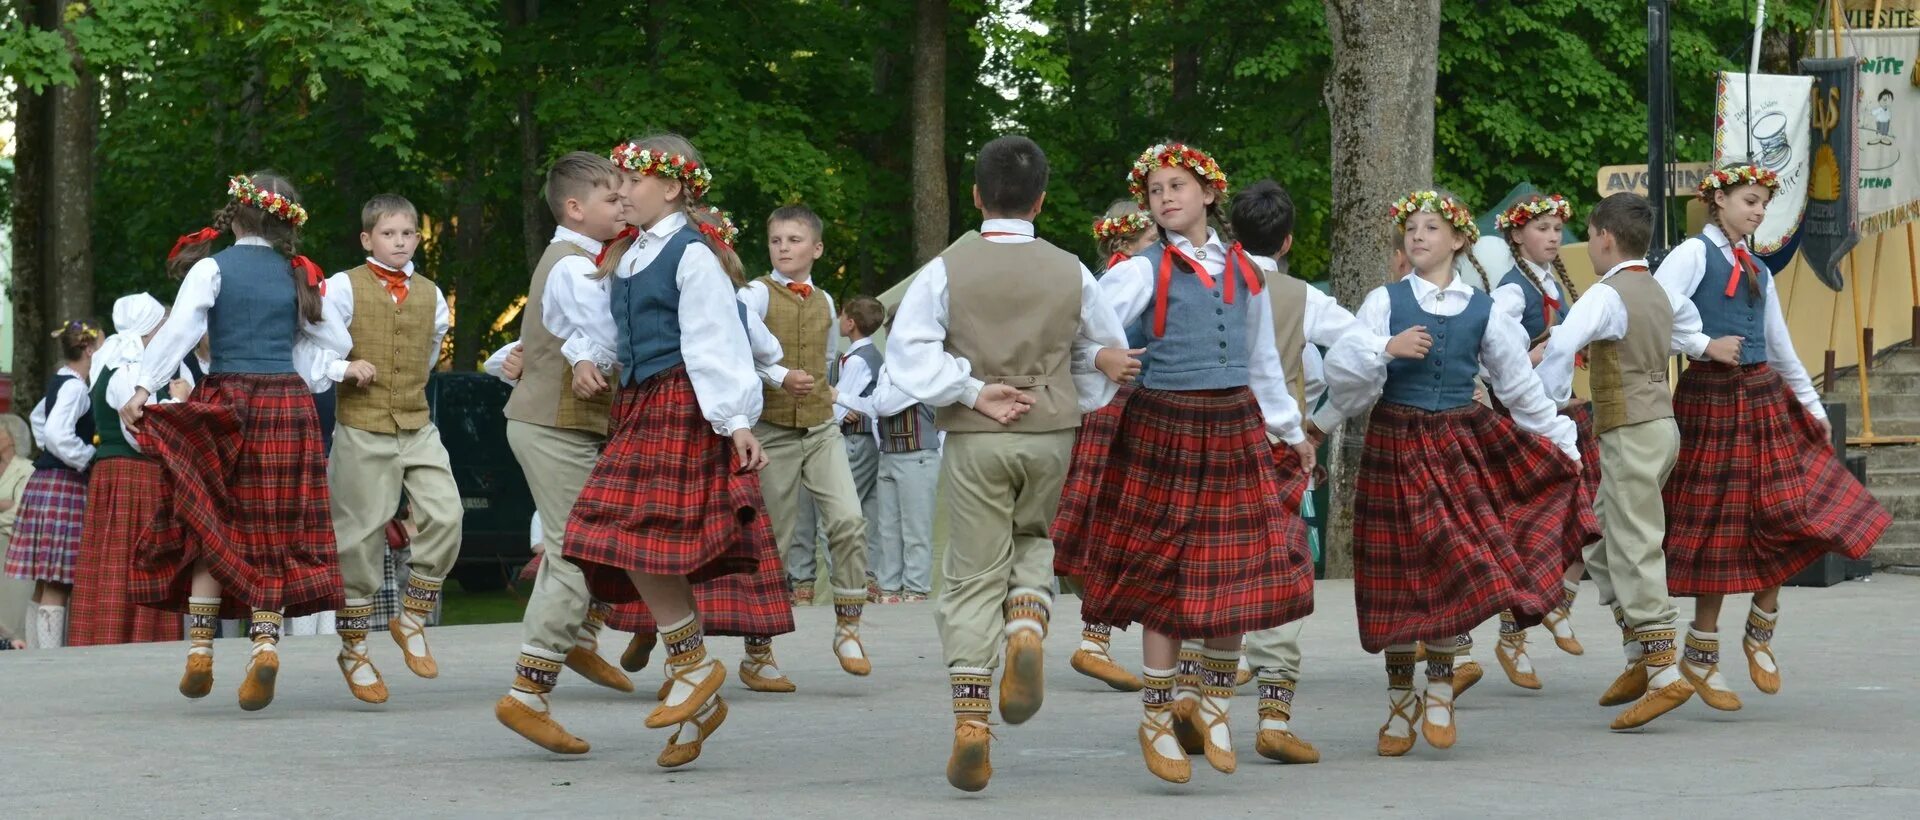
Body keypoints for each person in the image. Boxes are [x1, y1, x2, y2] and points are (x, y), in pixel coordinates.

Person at [892, 134, 1132, 792]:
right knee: (1036, 538)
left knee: (971, 575)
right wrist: (1065, 399)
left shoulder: (946, 267)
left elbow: (908, 354)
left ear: (976, 194)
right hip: (1051, 429)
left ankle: (972, 721)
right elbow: (1104, 351)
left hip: (976, 433)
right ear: (1041, 201)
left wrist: (971, 390)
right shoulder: (1072, 269)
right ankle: (1027, 620)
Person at [1323, 189, 1596, 756]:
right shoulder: (1384, 301)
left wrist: (1559, 438)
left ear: (1458, 239)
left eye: (1430, 227)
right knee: (1398, 572)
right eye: (1411, 228)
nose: (1417, 236)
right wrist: (1385, 348)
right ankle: (1401, 701)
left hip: (1456, 443)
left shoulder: (1484, 308)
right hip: (1394, 441)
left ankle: (1441, 689)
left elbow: (1517, 386)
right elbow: (1344, 374)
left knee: (1452, 562)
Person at [1084, 143, 1315, 784]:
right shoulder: (1137, 269)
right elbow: (1087, 328)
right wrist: (1102, 365)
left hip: (1235, 424)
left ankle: (1214, 704)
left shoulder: (1246, 269)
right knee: (1166, 572)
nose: (1165, 198)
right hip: (1165, 426)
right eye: (1155, 190)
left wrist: (1290, 430)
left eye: (1176, 186)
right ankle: (1157, 715)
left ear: (1209, 194)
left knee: (1236, 568)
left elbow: (1263, 359)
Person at [560, 132, 770, 766]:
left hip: (682, 401)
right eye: (616, 180)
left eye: (631, 179)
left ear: (672, 187)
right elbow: (607, 328)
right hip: (640, 400)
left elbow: (716, 340)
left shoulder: (692, 254)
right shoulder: (626, 253)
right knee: (629, 540)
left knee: (638, 537)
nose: (618, 190)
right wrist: (586, 358)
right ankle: (696, 682)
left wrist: (735, 419)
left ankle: (693, 671)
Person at [1654, 165, 1890, 710]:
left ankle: (1761, 626)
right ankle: (1701, 652)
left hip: (1762, 396)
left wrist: (1810, 405)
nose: (1759, 211)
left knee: (1789, 510)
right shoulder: (1693, 255)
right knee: (1717, 522)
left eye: (1763, 204)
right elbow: (1654, 315)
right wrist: (1701, 343)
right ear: (1719, 200)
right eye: (1751, 201)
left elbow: (1779, 345)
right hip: (1711, 399)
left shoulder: (1758, 267)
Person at [123, 171, 346, 712]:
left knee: (210, 521)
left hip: (229, 400)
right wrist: (296, 356)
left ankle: (200, 652)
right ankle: (264, 646)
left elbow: (178, 330)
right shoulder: (298, 274)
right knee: (272, 530)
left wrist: (141, 386)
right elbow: (335, 340)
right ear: (284, 220)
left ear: (235, 214)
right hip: (288, 406)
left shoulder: (211, 267)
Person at [1227, 178, 1389, 764]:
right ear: (1288, 239)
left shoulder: (1199, 280)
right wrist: (1321, 420)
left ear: (1230, 232)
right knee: (1280, 565)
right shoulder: (1301, 297)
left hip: (1205, 439)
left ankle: (1194, 705)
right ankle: (1273, 715)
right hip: (1276, 444)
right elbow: (1365, 355)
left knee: (1202, 562)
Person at [491, 150, 642, 756]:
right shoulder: (573, 268)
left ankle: (578, 635)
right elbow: (608, 338)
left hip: (566, 426)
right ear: (576, 208)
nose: (622, 206)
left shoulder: (587, 261)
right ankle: (528, 692)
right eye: (611, 199)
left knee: (603, 539)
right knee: (573, 551)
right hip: (553, 426)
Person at [1535, 192, 1702, 729]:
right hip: (1660, 425)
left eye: (1589, 237)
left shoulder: (1606, 295)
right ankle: (1637, 652)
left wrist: (1550, 404)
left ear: (1604, 238)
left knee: (1633, 544)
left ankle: (1662, 671)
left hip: (1630, 429)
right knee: (1603, 537)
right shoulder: (1658, 289)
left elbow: (1562, 346)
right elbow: (1687, 337)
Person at [738, 203, 874, 674]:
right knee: (772, 540)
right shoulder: (754, 294)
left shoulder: (827, 302)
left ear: (815, 248)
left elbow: (827, 360)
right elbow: (732, 347)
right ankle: (758, 652)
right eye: (776, 240)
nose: (783, 248)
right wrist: (777, 376)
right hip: (771, 430)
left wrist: (829, 397)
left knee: (849, 521)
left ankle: (848, 629)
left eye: (793, 240)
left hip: (819, 428)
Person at [1478, 192, 1598, 689]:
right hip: (1526, 424)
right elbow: (1485, 351)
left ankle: (1550, 608)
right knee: (1530, 531)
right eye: (1542, 228)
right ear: (1516, 235)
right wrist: (1527, 360)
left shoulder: (1547, 283)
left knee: (1587, 517)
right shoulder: (1511, 292)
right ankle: (1514, 635)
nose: (1553, 236)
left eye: (1556, 229)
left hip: (1563, 414)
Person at [1054, 199, 1156, 693]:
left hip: (1104, 410)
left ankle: (1092, 638)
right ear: (1134, 237)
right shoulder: (1134, 271)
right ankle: (1094, 639)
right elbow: (1088, 341)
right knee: (1116, 523)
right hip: (1122, 410)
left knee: (1100, 523)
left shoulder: (1107, 274)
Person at [68, 294, 189, 647]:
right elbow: (141, 429)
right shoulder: (129, 366)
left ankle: (109, 634)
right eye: (162, 327)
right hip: (134, 474)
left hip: (118, 475)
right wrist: (180, 401)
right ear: (150, 329)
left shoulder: (119, 359)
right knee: (134, 558)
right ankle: (129, 638)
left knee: (113, 559)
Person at [4, 320, 103, 649]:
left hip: (44, 482)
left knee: (44, 578)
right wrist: (86, 456)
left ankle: (36, 657)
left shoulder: (61, 380)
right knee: (58, 580)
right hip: (63, 484)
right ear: (88, 349)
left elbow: (38, 418)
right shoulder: (75, 386)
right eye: (100, 344)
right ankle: (50, 658)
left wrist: (54, 446)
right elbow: (59, 433)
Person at [863, 311, 941, 606]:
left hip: (918, 454)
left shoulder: (926, 365)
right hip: (891, 454)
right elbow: (878, 404)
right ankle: (890, 586)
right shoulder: (890, 367)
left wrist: (884, 394)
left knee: (916, 528)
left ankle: (916, 588)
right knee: (888, 527)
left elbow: (883, 403)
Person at [834, 296, 888, 600]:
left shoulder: (857, 360)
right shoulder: (872, 355)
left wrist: (840, 406)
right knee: (868, 509)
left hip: (857, 438)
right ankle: (870, 578)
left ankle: (849, 579)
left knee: (841, 505)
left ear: (850, 323)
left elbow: (839, 403)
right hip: (871, 439)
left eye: (842, 315)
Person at [0, 417, 35, 648]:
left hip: (13, 543)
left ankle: (13, 640)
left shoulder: (27, 469)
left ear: (11, 439)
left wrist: (9, 506)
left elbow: (20, 514)